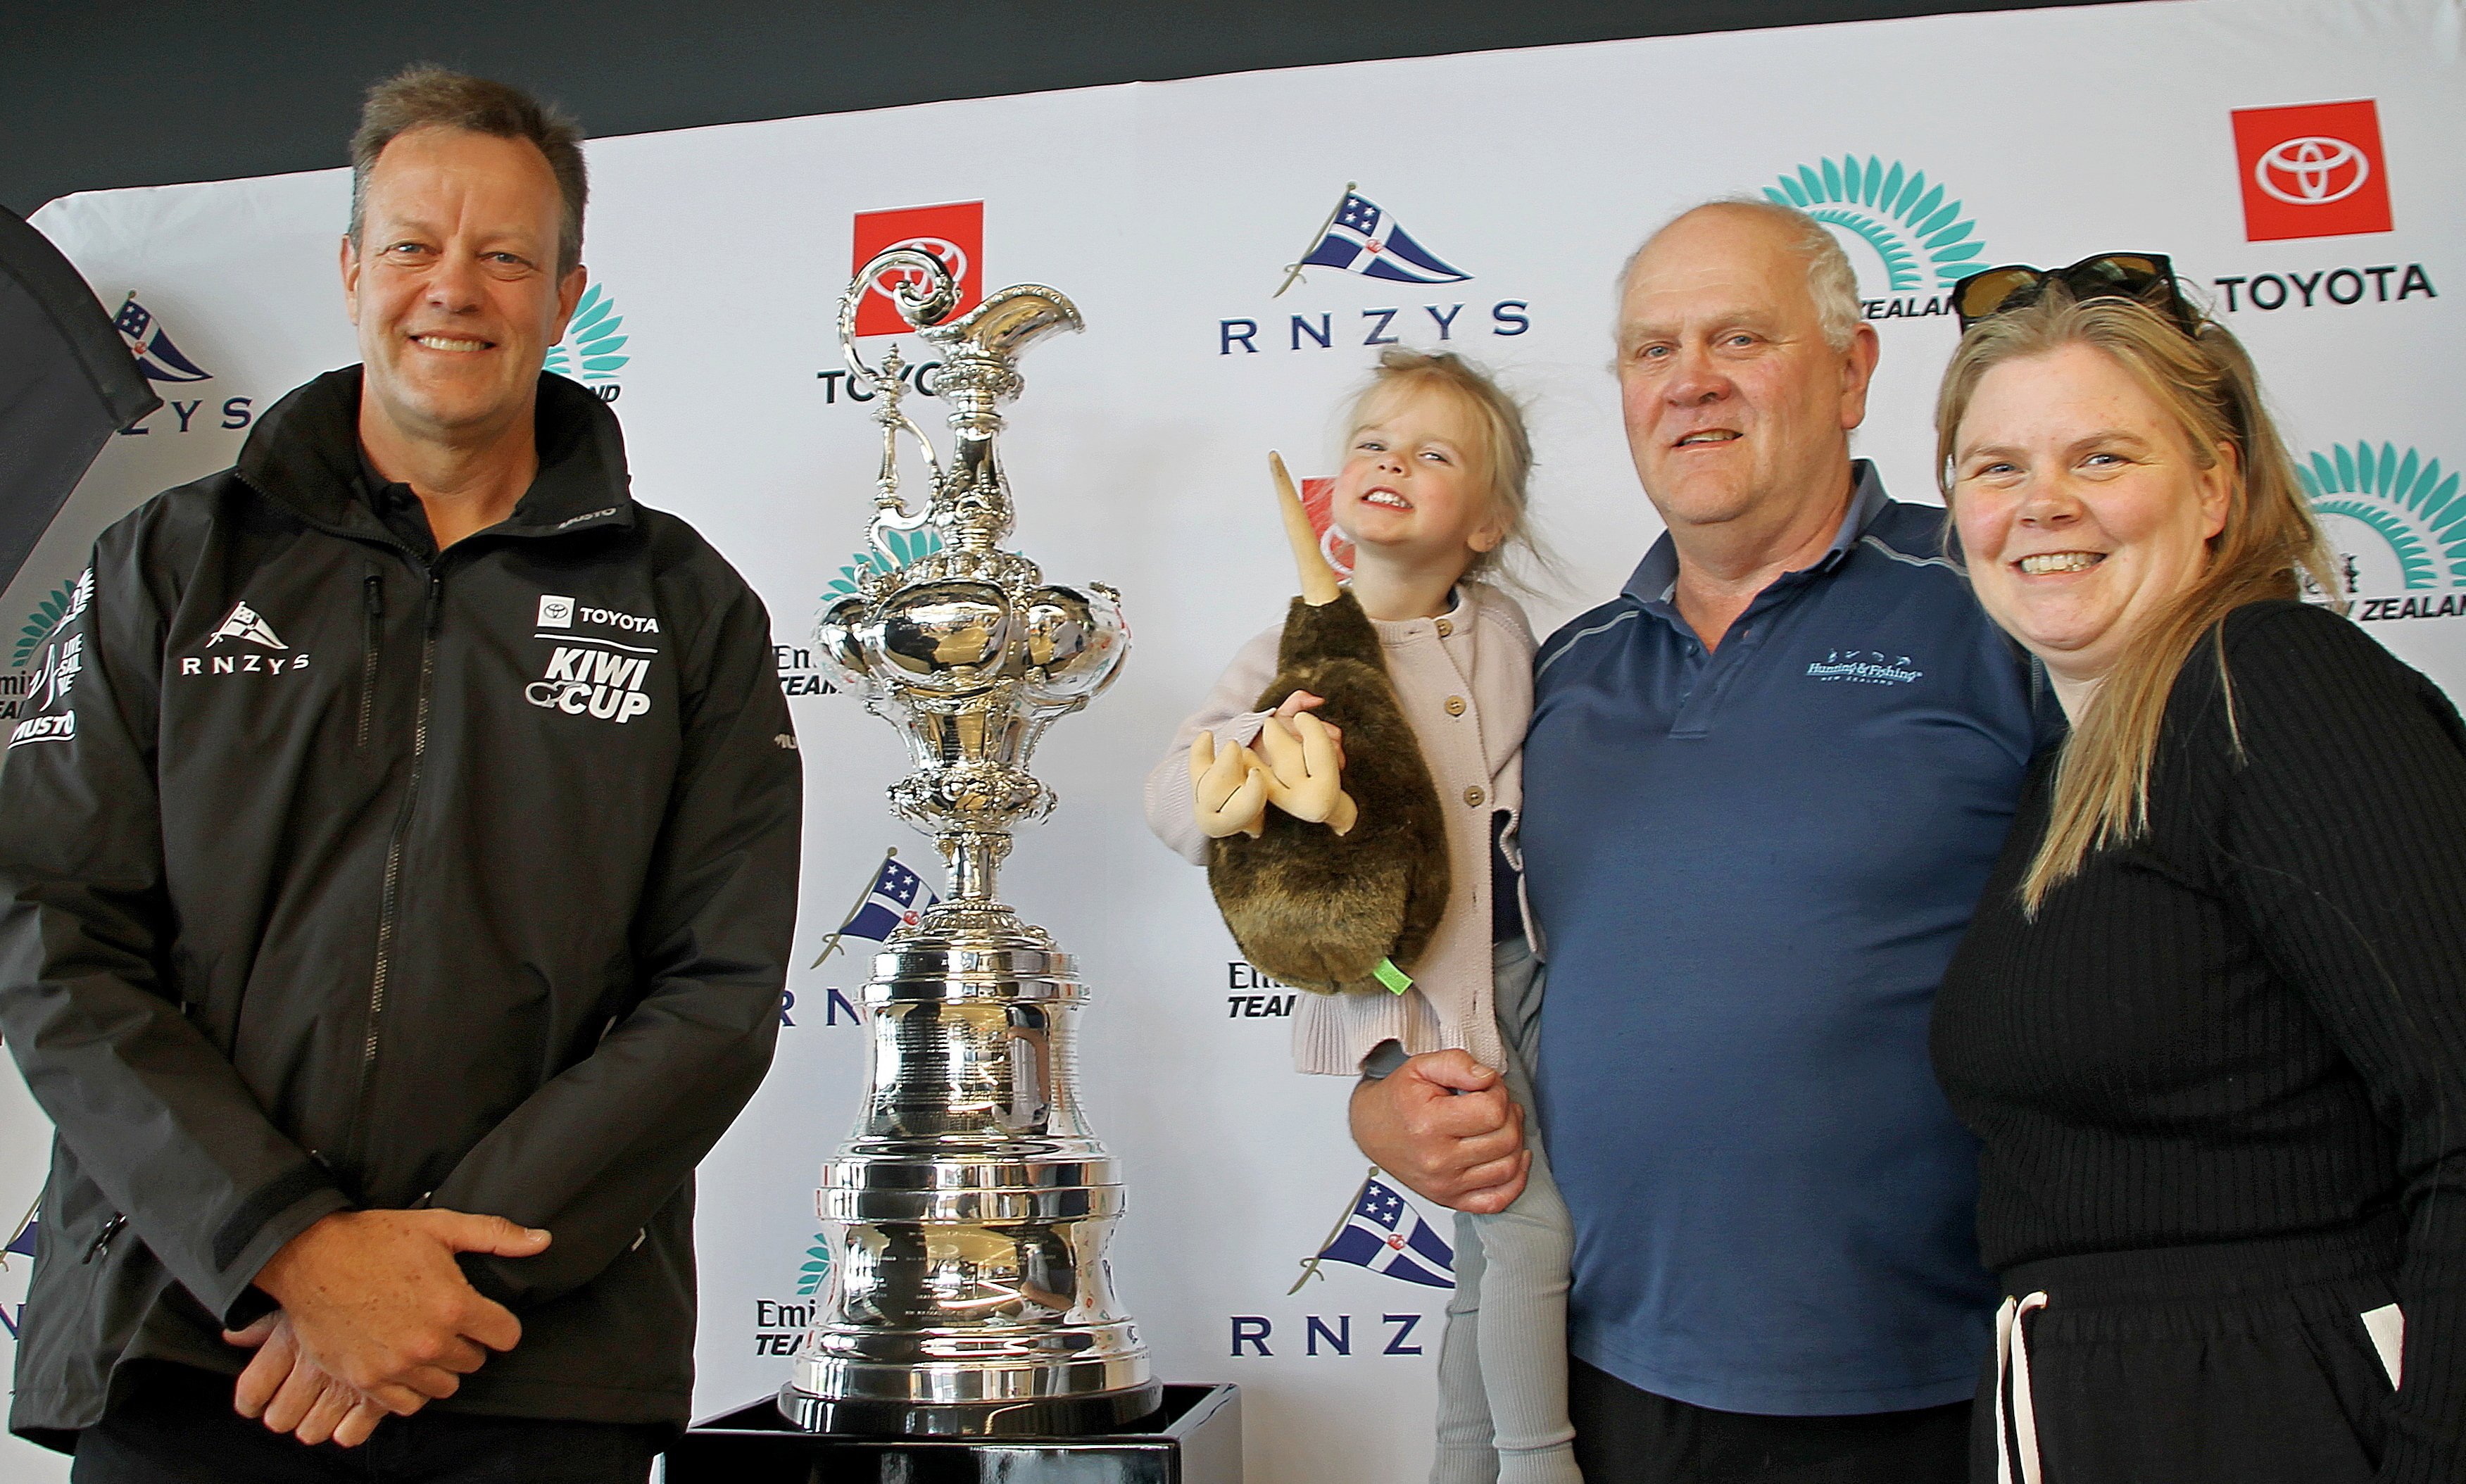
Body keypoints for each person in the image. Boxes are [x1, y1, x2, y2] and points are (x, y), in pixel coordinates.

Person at [0, 66, 803, 1482]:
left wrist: (423, 1281)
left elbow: (714, 995)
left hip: (526, 1359)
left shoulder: (689, 607)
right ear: (354, 268)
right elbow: (57, 938)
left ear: (564, 300)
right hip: (194, 1344)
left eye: (507, 256)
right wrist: (290, 1247)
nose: (458, 288)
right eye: (418, 246)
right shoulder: (169, 567)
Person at [1349, 201, 2052, 1484]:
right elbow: (1445, 954)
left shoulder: (2004, 609)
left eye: (1740, 338)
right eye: (1651, 350)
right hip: (1603, 1390)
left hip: (1933, 1389)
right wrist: (1384, 1098)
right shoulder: (1553, 675)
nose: (1692, 386)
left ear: (1852, 373)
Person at [1928, 258, 2466, 1483]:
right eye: (1997, 467)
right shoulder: (2077, 764)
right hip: (2098, 1408)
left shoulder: (2272, 689)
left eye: (2102, 459)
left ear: (2217, 486)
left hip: (2278, 1412)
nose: (2042, 504)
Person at [1145, 349, 1575, 1483]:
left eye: (1435, 454)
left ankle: (1461, 1466)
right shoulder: (1283, 652)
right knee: (1528, 1228)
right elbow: (1170, 803)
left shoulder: (1510, 638)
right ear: (1335, 491)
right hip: (1414, 985)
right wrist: (1257, 745)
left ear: (1488, 521)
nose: (1394, 462)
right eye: (1374, 444)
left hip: (1524, 970)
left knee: (1487, 1255)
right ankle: (1540, 1465)